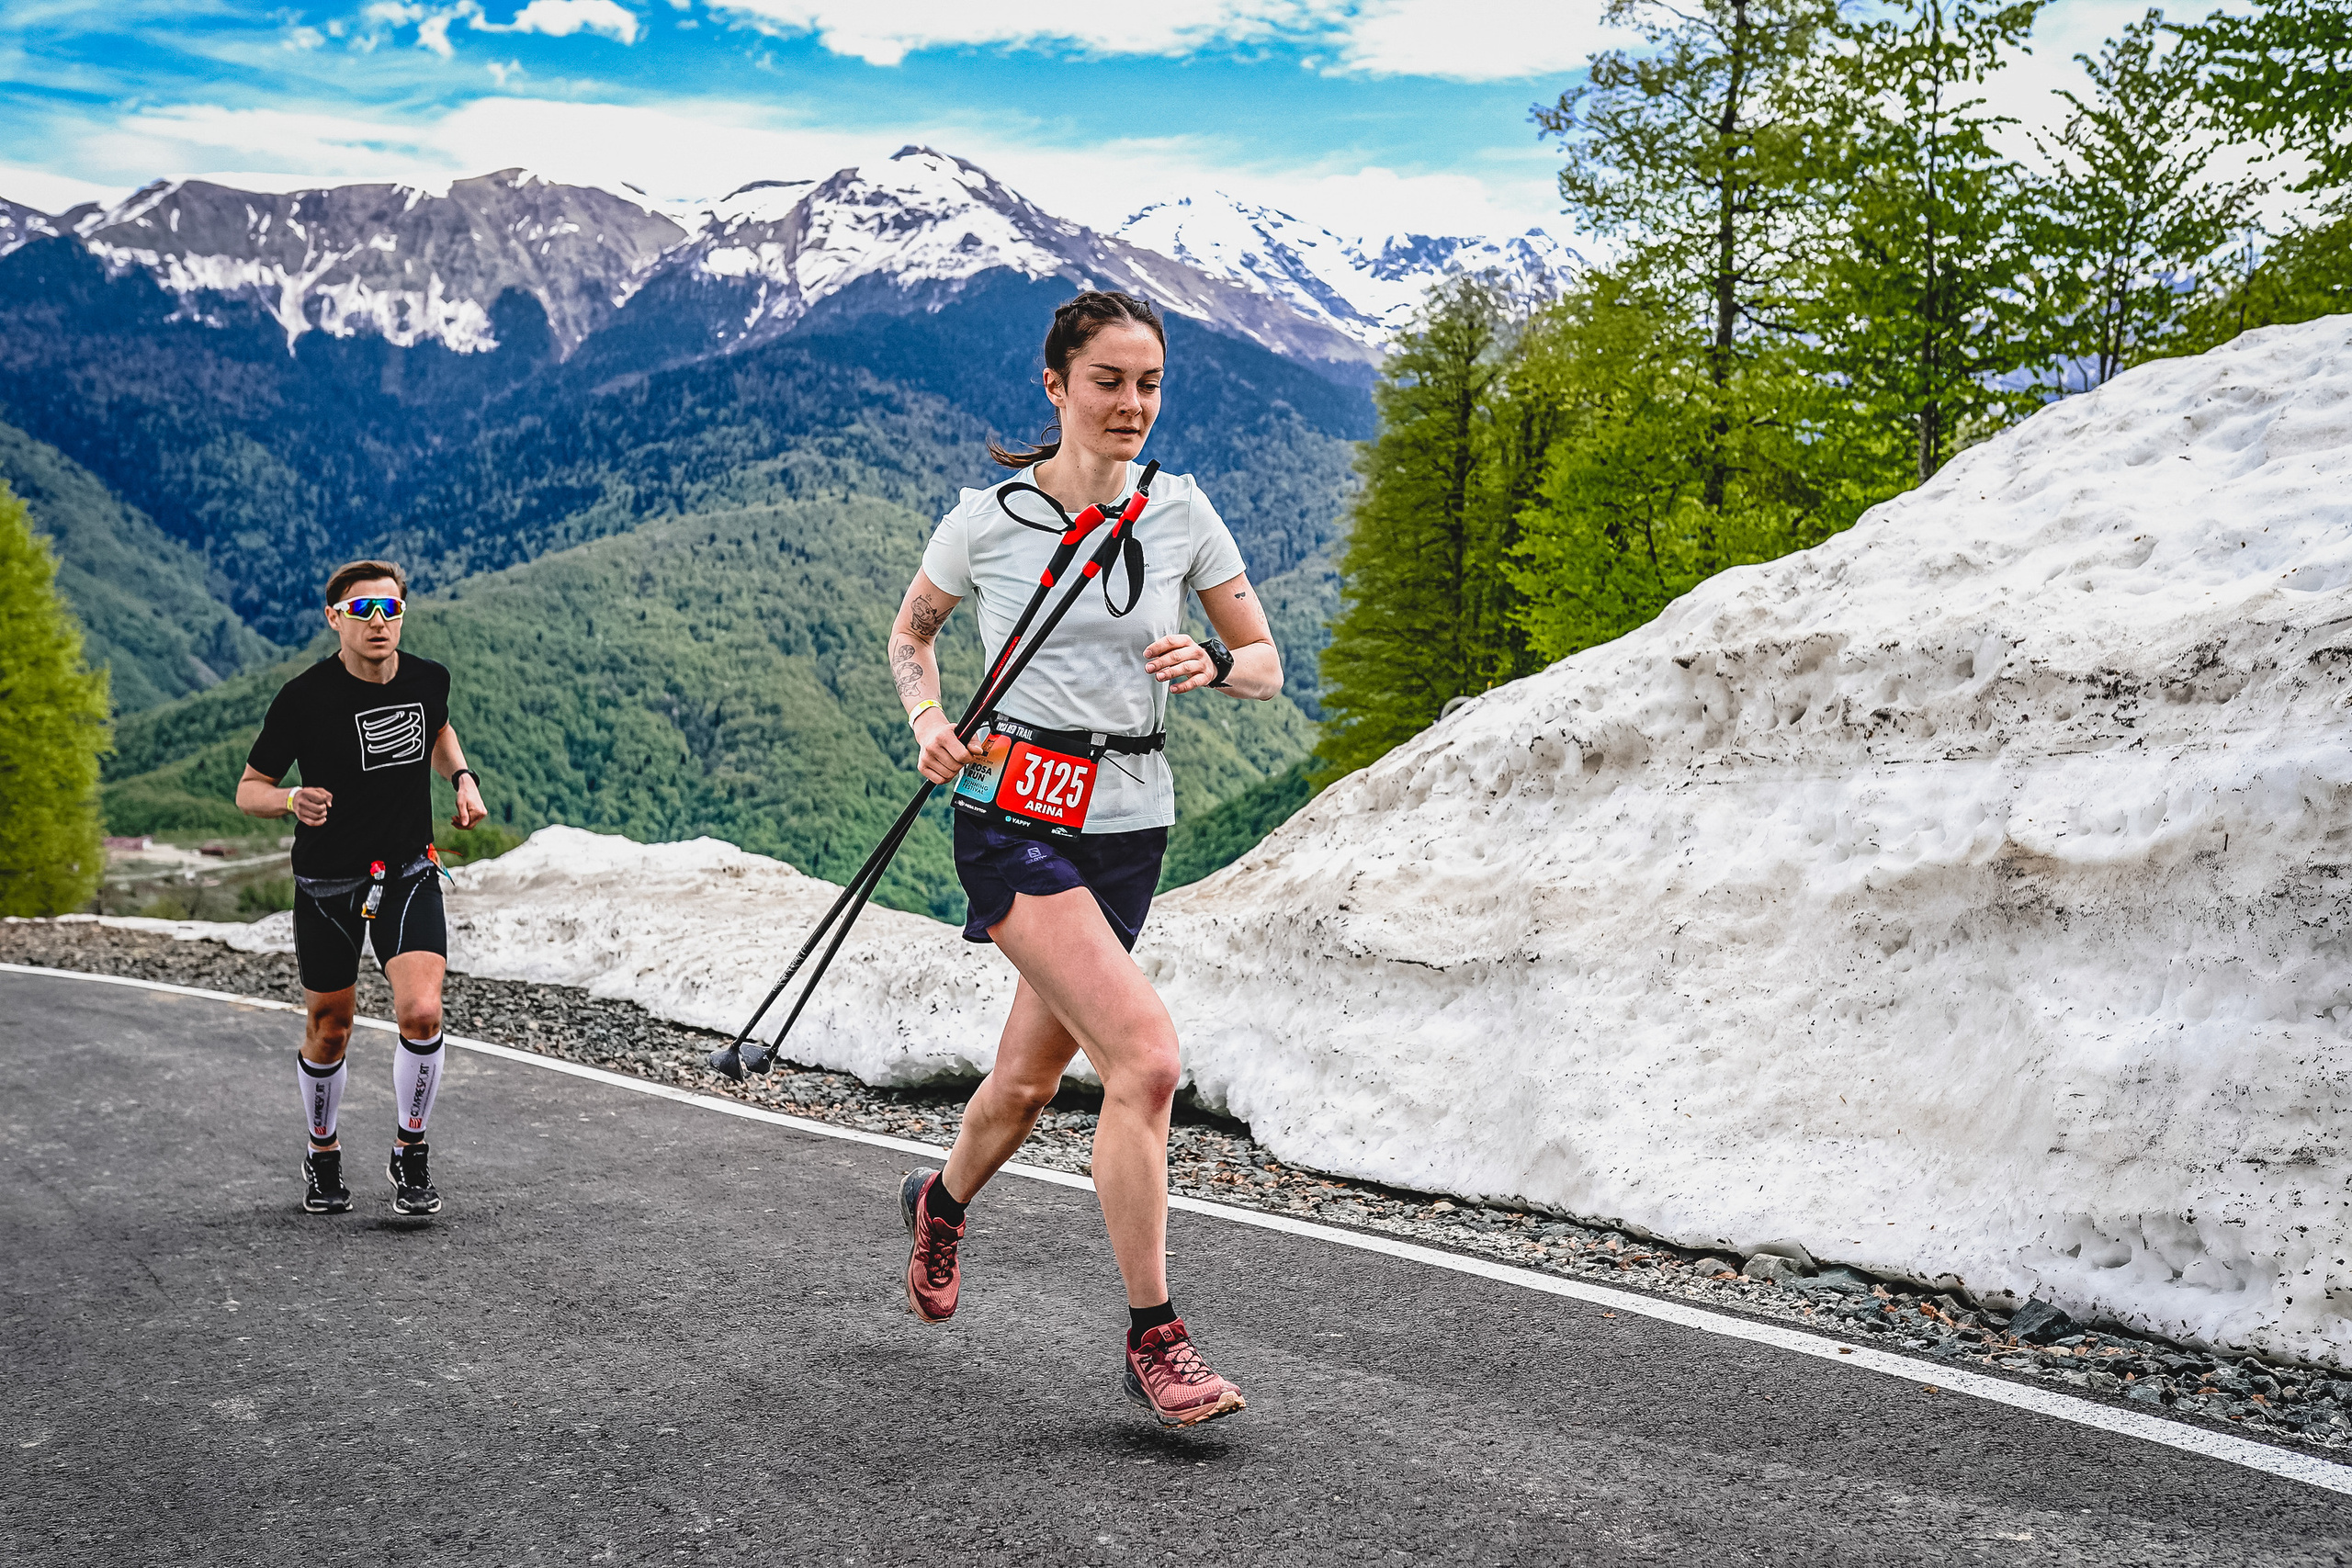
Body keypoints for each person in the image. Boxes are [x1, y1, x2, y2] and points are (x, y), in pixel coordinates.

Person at [887, 290, 1282, 1427]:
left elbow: (1263, 660)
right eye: (1108, 381)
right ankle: (1155, 1338)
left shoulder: (1183, 513)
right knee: (1146, 1061)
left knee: (1021, 1083)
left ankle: (939, 1201)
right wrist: (926, 723)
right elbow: (912, 634)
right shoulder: (987, 519)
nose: (1132, 405)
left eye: (1148, 383)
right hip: (1012, 811)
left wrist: (1210, 661)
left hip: (1129, 824)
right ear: (1055, 386)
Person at [234, 560, 488, 1218]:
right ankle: (322, 1153)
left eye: (389, 609)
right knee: (330, 1027)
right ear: (334, 620)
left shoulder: (430, 678)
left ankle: (411, 1150)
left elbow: (435, 725)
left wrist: (461, 775)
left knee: (423, 1013)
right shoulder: (304, 697)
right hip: (327, 884)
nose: (377, 622)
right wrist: (290, 797)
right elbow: (249, 788)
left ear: (403, 613)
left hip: (406, 870)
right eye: (361, 611)